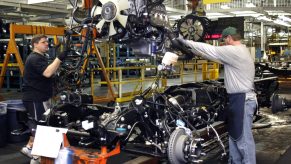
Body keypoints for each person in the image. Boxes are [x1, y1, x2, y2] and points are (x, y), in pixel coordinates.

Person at [167, 27, 257, 164]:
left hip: (243, 100)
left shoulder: (235, 51)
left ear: (229, 38)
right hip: (238, 100)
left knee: (243, 140)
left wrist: (185, 41)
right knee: (235, 137)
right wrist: (192, 51)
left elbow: (211, 50)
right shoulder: (239, 52)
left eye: (224, 40)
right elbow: (211, 55)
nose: (224, 43)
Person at [20, 34, 67, 160]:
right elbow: (47, 73)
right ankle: (35, 154)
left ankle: (30, 148)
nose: (47, 44)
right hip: (35, 97)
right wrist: (59, 58)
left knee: (40, 123)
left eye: (47, 42)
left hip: (41, 96)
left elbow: (48, 72)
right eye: (43, 42)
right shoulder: (34, 58)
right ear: (35, 44)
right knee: (41, 125)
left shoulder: (41, 57)